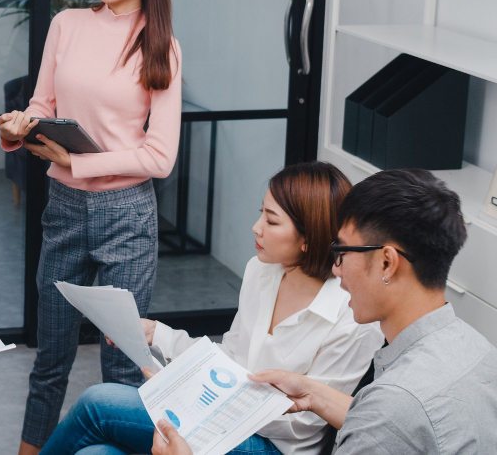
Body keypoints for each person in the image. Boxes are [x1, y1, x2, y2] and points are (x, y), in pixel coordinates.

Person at [39, 161, 383, 455]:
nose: (256, 228)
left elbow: (306, 423)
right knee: (95, 452)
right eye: (260, 213)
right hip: (221, 417)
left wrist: (193, 401)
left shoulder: (351, 313)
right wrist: (156, 335)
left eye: (272, 221)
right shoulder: (261, 271)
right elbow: (228, 362)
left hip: (270, 446)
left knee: (98, 403)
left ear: (310, 238)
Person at [0, 0, 183, 455]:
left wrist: (77, 162)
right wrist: (15, 129)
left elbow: (160, 156)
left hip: (126, 215)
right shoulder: (68, 24)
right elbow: (41, 105)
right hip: (63, 210)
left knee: (121, 367)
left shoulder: (161, 44)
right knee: (49, 357)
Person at [161, 169, 497, 455]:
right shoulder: (480, 353)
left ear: (386, 262)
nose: (335, 269)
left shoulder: (388, 409)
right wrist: (315, 394)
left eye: (341, 250)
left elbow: (392, 418)